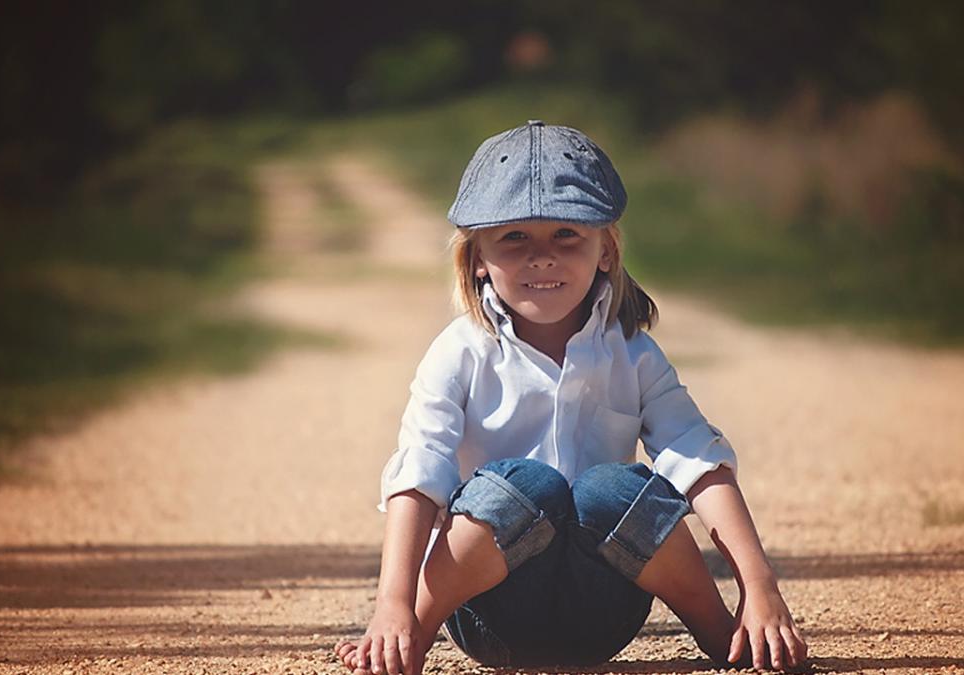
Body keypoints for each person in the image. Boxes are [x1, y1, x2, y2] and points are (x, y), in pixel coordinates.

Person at [335, 120, 807, 673]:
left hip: (603, 612)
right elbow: (420, 471)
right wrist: (393, 608)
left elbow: (698, 461)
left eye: (566, 234)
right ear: (478, 257)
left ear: (606, 249)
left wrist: (760, 586)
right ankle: (411, 639)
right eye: (514, 237)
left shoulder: (634, 354)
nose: (542, 257)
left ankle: (723, 632)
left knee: (612, 489)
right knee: (528, 485)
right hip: (490, 614)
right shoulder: (458, 352)